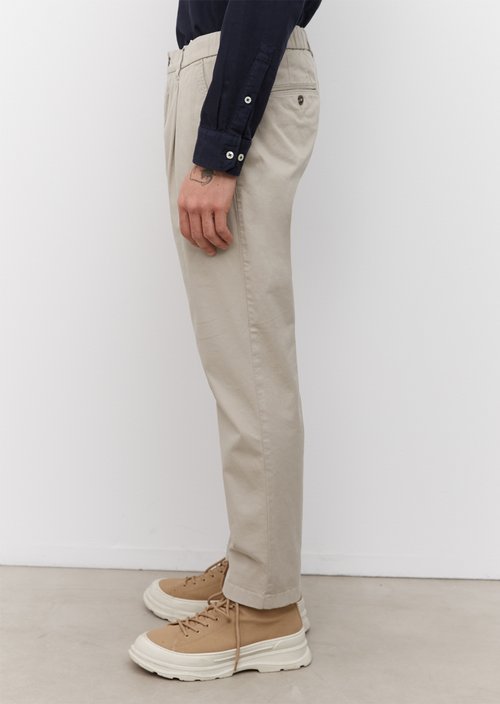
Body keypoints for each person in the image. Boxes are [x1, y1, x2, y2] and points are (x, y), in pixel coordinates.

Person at [129, 0, 322, 681]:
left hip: (238, 76)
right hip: (225, 70)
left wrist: (220, 147)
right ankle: (254, 564)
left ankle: (266, 608)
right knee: (239, 354)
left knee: (251, 363)